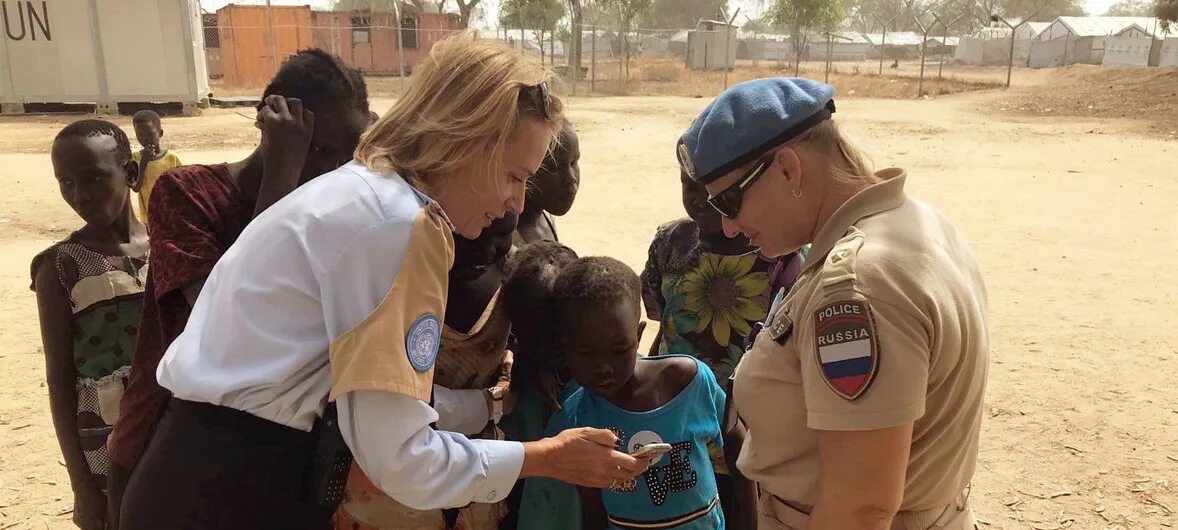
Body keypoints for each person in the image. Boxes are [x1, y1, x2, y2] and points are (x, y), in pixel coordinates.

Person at [119, 33, 644, 530]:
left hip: (203, 475)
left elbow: (367, 399)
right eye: (513, 175)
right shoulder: (400, 224)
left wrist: (491, 408)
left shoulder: (365, 195)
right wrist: (546, 459)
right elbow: (403, 459)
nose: (518, 203)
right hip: (229, 493)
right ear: (465, 141)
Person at [676, 77, 989, 530]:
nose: (728, 226)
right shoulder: (917, 223)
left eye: (729, 201)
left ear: (787, 169)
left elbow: (859, 507)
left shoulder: (855, 286)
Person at [108, 48, 372, 527]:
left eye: (343, 155)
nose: (331, 168)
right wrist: (283, 174)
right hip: (170, 445)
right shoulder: (186, 193)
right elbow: (229, 324)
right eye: (318, 148)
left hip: (270, 463)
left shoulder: (334, 216)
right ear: (271, 120)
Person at [335, 212, 519, 530]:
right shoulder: (392, 278)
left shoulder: (515, 273)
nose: (491, 250)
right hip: (386, 484)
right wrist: (490, 404)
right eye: (479, 235)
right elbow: (391, 397)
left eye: (503, 238)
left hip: (475, 476)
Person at [639, 170, 801, 527]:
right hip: (675, 420)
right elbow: (661, 315)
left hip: (749, 425)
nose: (701, 199)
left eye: (716, 188)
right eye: (688, 185)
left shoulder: (783, 255)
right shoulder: (670, 243)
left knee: (741, 510)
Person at [546, 256, 732, 530]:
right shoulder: (576, 420)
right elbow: (592, 509)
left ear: (639, 334)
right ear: (565, 347)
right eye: (586, 353)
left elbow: (738, 448)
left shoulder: (689, 383)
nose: (604, 368)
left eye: (619, 350)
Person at [32, 120, 150, 530]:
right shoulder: (60, 267)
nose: (80, 196)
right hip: (103, 442)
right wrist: (81, 485)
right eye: (66, 183)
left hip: (170, 430)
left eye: (95, 178)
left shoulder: (170, 247)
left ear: (131, 175)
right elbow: (60, 378)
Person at [498, 241, 583, 530]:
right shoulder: (519, 386)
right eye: (531, 335)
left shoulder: (606, 378)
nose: (547, 345)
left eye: (555, 328)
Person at [515, 121, 580, 244]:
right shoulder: (503, 239)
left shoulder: (545, 216)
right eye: (553, 167)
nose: (571, 178)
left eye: (574, 162)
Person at [129, 110, 182, 225]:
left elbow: (182, 187)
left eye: (150, 134)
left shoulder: (172, 159)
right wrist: (143, 162)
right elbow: (135, 188)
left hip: (171, 214)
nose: (145, 139)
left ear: (160, 133)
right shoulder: (135, 158)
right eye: (140, 135)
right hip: (149, 218)